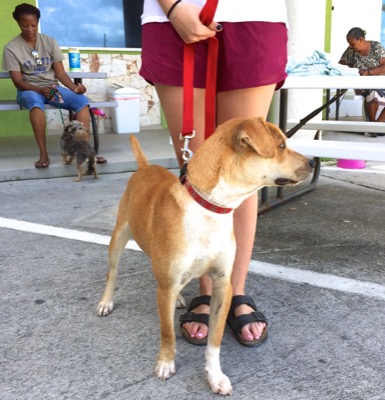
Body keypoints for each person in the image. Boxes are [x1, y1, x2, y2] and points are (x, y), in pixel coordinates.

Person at [140, 0, 288, 347]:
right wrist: (174, 6)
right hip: (171, 18)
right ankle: (207, 291)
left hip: (253, 14)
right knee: (198, 172)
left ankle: (234, 291)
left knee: (245, 171)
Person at [2, 3, 107, 168]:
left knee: (81, 102)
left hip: (52, 88)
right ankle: (43, 154)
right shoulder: (11, 48)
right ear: (18, 23)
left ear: (38, 23)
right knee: (36, 104)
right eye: (25, 25)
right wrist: (39, 90)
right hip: (28, 89)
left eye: (33, 25)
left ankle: (86, 152)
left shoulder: (49, 42)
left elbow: (61, 74)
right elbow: (17, 81)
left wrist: (75, 88)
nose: (29, 29)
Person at [339, 27, 385, 137]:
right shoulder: (351, 51)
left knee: (375, 90)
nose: (350, 46)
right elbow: (340, 65)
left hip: (380, 81)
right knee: (372, 92)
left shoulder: (376, 47)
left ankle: (376, 125)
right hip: (362, 84)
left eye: (352, 44)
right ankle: (374, 126)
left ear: (361, 40)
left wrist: (369, 72)